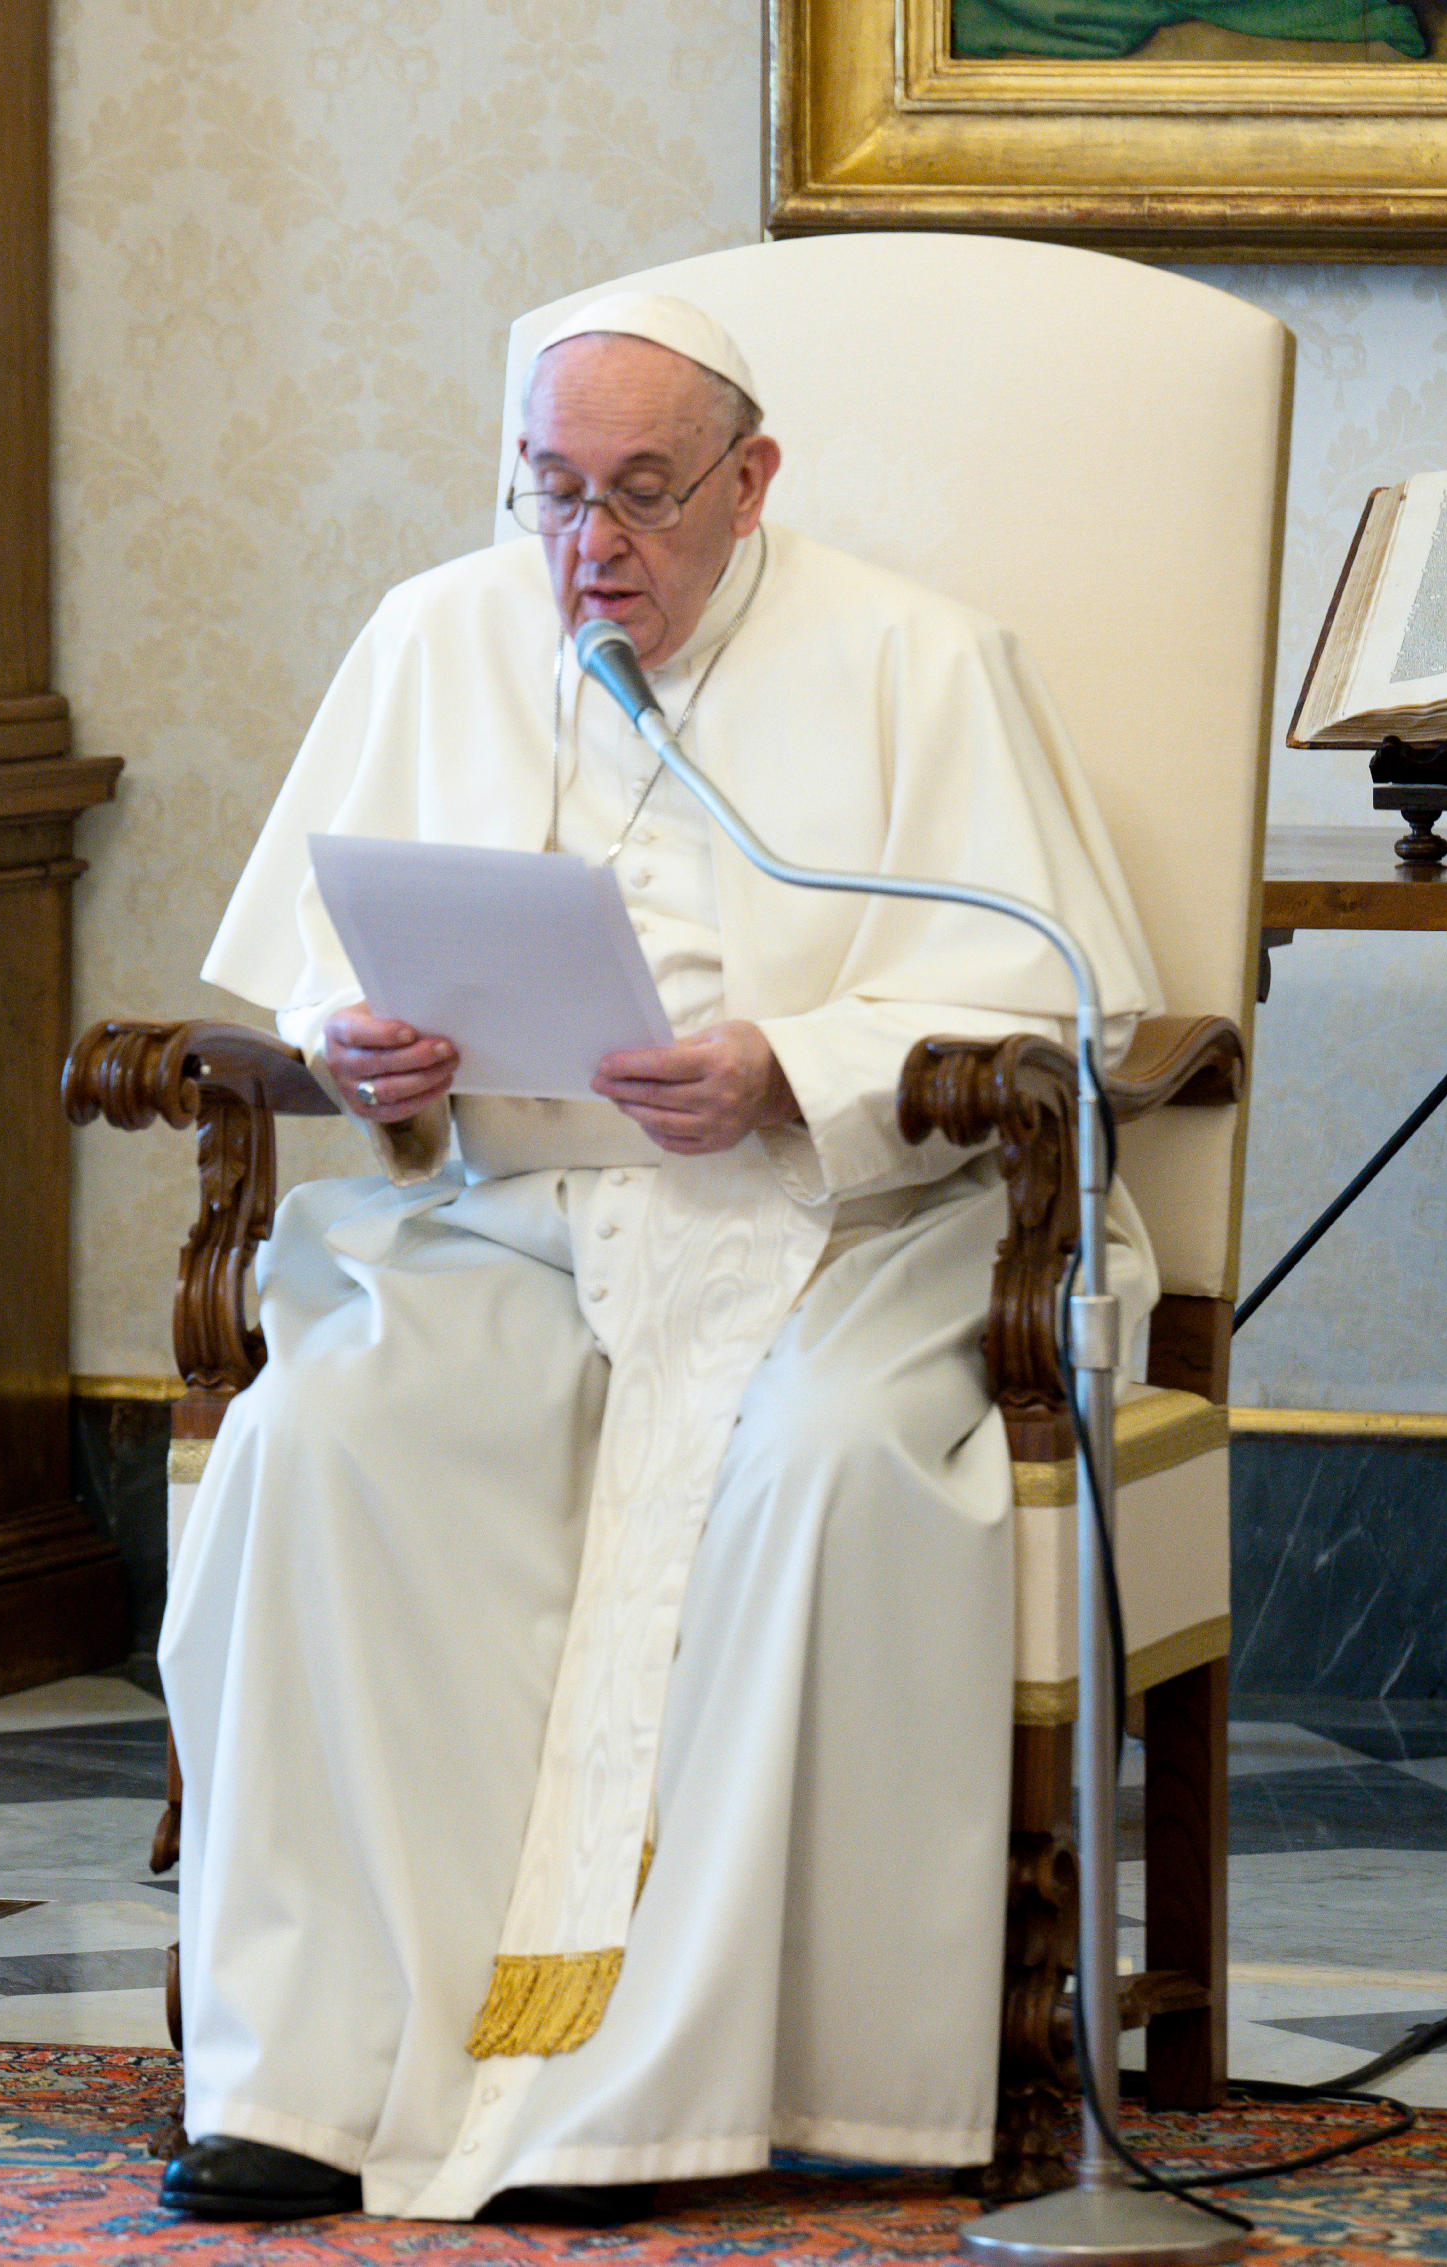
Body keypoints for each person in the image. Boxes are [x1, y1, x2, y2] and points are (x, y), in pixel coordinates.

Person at [154, 294, 1164, 2222]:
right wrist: (355, 1042)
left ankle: (731, 2089)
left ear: (749, 480)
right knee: (318, 1447)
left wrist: (795, 1066)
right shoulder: (435, 636)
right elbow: (318, 962)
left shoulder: (921, 660)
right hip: (511, 1221)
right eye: (552, 494)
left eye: (640, 494)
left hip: (845, 1224)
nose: (588, 548)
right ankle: (314, 2078)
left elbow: (1055, 997)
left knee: (833, 1467)